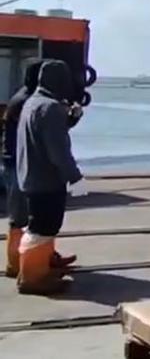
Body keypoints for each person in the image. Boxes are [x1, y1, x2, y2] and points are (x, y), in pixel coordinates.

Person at [16, 60, 84, 294]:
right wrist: (75, 177)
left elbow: (43, 134)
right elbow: (58, 150)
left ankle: (38, 269)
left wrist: (70, 119)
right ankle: (33, 279)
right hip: (47, 180)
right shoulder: (51, 108)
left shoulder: (33, 102)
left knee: (38, 226)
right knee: (43, 228)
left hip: (31, 176)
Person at [3, 60, 40, 278]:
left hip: (13, 162)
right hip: (18, 164)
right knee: (19, 219)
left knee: (20, 218)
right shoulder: (27, 102)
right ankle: (16, 263)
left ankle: (19, 261)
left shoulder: (21, 98)